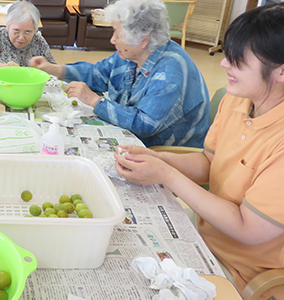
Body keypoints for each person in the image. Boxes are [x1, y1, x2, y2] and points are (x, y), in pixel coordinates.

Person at [114, 3, 284, 298]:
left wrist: (167, 174)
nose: (223, 65)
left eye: (237, 60)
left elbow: (247, 228)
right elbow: (209, 162)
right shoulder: (239, 100)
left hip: (239, 269)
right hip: (200, 234)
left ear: (281, 72)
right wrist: (159, 159)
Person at [29, 0, 210, 148]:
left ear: (142, 39)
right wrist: (55, 69)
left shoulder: (170, 72)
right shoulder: (132, 53)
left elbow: (144, 124)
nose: (112, 39)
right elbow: (98, 74)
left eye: (117, 33)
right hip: (136, 139)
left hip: (166, 153)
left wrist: (94, 100)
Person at [0, 0, 55, 70]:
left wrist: (46, 68)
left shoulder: (38, 41)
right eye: (16, 31)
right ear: (7, 27)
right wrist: (4, 67)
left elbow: (53, 68)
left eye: (28, 32)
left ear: (35, 30)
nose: (21, 37)